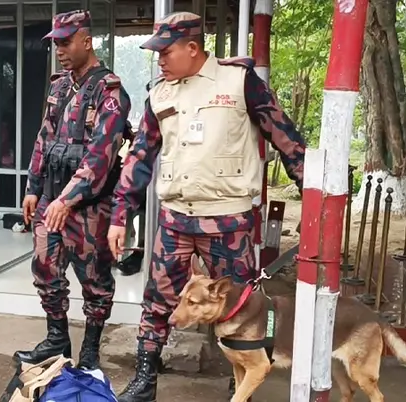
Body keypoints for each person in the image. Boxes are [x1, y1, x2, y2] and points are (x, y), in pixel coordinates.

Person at [107, 12, 306, 401]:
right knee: (158, 300)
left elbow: (286, 139)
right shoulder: (159, 94)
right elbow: (140, 158)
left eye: (166, 51)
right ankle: (146, 380)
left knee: (243, 302)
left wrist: (314, 200)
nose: (159, 59)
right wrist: (120, 217)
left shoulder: (239, 82)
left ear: (193, 48)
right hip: (175, 220)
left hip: (227, 222)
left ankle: (241, 382)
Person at [16, 9, 132, 371]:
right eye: (56, 43)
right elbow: (43, 138)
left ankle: (91, 349)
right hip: (52, 199)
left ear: (87, 41)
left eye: (66, 42)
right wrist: (33, 186)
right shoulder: (59, 86)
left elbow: (100, 159)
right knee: (45, 269)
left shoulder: (110, 92)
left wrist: (67, 200)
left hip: (90, 207)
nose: (60, 50)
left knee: (95, 281)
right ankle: (57, 341)